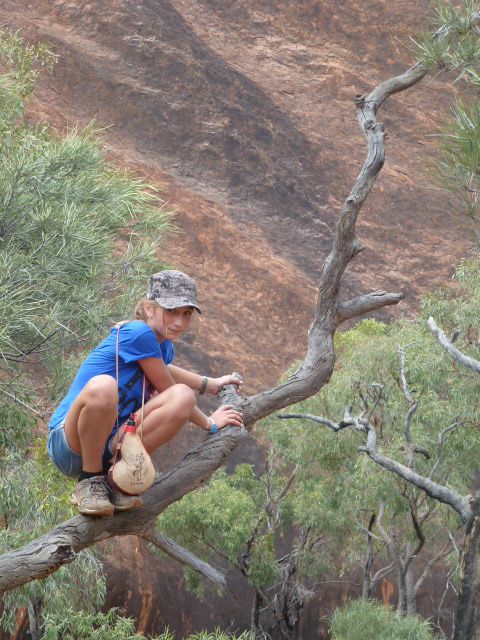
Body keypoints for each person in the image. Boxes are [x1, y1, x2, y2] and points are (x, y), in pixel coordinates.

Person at [47, 270, 243, 517]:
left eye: (187, 314)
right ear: (149, 308)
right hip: (70, 443)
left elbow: (162, 369)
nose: (179, 322)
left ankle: (115, 480)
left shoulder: (163, 345)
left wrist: (208, 383)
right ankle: (90, 481)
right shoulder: (138, 332)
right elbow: (166, 385)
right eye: (171, 311)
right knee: (104, 387)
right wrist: (210, 423)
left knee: (183, 396)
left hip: (110, 445)